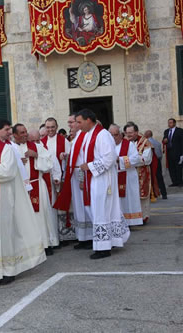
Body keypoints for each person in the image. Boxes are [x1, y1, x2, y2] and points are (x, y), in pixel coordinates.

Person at [0, 118, 46, 284]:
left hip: (1, 199)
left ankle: (8, 270)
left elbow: (8, 172)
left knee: (3, 234)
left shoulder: (5, 149)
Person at [77, 110, 130, 259]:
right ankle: (109, 241)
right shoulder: (89, 135)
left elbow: (110, 157)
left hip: (103, 179)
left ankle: (103, 248)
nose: (78, 125)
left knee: (102, 210)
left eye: (80, 122)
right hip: (95, 179)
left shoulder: (102, 135)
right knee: (100, 210)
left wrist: (91, 166)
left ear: (89, 120)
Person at [12, 123, 55, 256]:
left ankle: (45, 244)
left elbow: (49, 164)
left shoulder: (37, 146)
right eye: (22, 133)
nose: (25, 135)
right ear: (14, 135)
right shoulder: (10, 149)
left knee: (41, 216)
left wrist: (36, 155)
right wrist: (18, 162)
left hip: (37, 185)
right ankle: (29, 246)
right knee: (24, 217)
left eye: (25, 132)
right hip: (20, 188)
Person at [55, 113, 93, 250]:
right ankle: (82, 237)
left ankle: (90, 237)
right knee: (78, 207)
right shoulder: (76, 138)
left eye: (72, 122)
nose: (70, 125)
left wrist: (83, 178)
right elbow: (75, 157)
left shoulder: (85, 136)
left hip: (82, 175)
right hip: (74, 177)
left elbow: (85, 158)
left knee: (85, 207)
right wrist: (66, 157)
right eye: (69, 122)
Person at [41, 117, 73, 245]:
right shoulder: (42, 142)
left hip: (62, 176)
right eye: (48, 127)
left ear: (57, 126)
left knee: (64, 205)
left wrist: (64, 157)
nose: (50, 130)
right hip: (48, 178)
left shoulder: (63, 140)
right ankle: (55, 234)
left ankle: (66, 234)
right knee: (52, 206)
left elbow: (70, 156)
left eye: (52, 127)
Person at [109, 125, 143, 226]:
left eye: (115, 135)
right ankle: (118, 221)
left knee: (128, 200)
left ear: (120, 135)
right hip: (113, 177)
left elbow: (136, 159)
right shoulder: (107, 145)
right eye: (111, 135)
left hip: (128, 177)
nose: (113, 138)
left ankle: (130, 221)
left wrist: (120, 160)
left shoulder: (129, 145)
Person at [124, 122, 153, 223]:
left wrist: (129, 161)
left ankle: (143, 216)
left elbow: (147, 159)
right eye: (127, 133)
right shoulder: (124, 142)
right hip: (128, 173)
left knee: (142, 196)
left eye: (131, 133)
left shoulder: (145, 142)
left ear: (136, 132)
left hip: (141, 172)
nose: (129, 135)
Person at [163, 118, 183, 187]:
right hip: (169, 153)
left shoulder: (180, 131)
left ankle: (180, 182)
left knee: (178, 167)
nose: (169, 124)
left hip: (178, 153)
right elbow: (164, 139)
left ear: (174, 123)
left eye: (170, 122)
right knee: (171, 168)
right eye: (168, 123)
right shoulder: (166, 131)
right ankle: (174, 182)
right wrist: (164, 140)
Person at [145, 130, 167, 199]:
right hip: (158, 161)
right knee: (159, 177)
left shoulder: (146, 143)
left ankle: (152, 194)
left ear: (147, 135)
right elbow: (160, 154)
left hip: (151, 162)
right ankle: (164, 194)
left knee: (150, 178)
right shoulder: (157, 143)